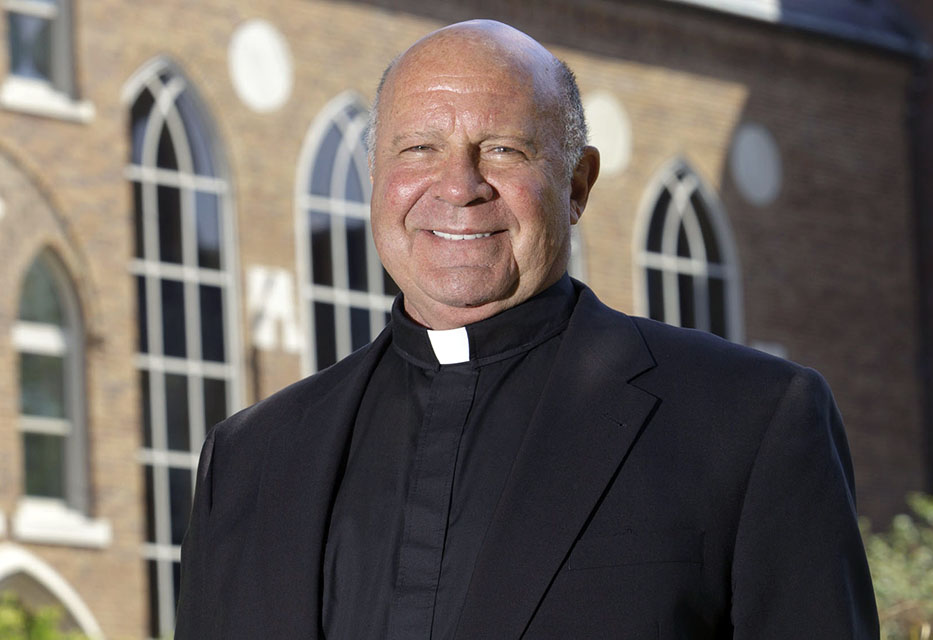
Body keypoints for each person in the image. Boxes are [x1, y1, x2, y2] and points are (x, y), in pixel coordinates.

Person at [175, 19, 879, 639]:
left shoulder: (750, 421)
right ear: (374, 179)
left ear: (576, 186)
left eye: (505, 150)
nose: (458, 186)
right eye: (418, 148)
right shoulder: (249, 461)